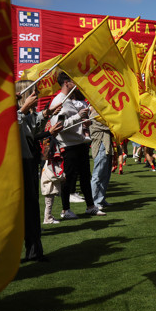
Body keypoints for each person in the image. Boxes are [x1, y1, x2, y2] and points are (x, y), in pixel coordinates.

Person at [16, 80, 62, 261]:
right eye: (33, 93)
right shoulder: (14, 112)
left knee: (32, 207)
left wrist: (46, 115)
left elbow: (32, 130)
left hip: (28, 161)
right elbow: (11, 127)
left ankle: (35, 251)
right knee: (26, 208)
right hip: (18, 163)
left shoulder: (25, 113)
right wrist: (23, 110)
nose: (37, 96)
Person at [51, 72, 105, 219]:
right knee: (68, 178)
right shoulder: (59, 101)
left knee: (85, 177)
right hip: (68, 145)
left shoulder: (68, 100)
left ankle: (90, 206)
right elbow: (58, 126)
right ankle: (65, 210)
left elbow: (73, 122)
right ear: (66, 83)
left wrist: (85, 122)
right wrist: (78, 117)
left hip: (79, 143)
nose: (77, 83)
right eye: (73, 80)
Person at [90, 108, 114, 210]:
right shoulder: (94, 115)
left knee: (105, 175)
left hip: (107, 147)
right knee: (98, 175)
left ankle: (101, 198)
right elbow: (108, 126)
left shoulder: (102, 115)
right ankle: (94, 201)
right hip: (100, 147)